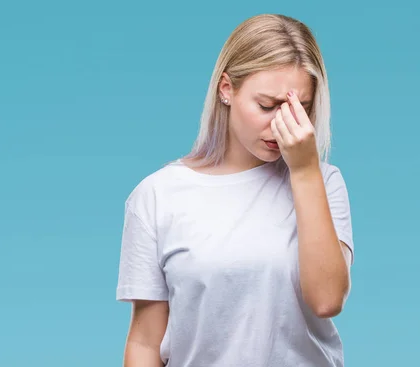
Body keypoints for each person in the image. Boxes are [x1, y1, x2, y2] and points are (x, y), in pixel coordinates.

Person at [115, 13, 355, 367]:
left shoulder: (323, 182)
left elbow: (327, 300)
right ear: (226, 89)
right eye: (267, 105)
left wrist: (304, 171)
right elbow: (146, 342)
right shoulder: (157, 195)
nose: (282, 123)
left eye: (299, 108)